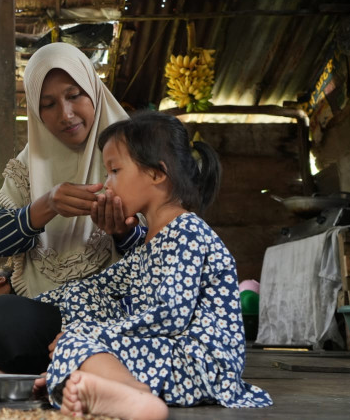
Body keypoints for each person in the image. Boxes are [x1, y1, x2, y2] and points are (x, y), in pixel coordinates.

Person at [31, 112, 272, 418]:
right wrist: (34, 304)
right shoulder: (150, 243)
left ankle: (135, 396)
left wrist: (91, 334)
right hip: (168, 356)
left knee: (76, 341)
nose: (106, 184)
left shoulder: (187, 231)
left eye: (114, 171)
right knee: (82, 306)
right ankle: (93, 382)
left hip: (199, 364)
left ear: (157, 174)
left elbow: (170, 315)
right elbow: (97, 285)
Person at [0, 42, 141, 298]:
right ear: (36, 112)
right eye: (48, 104)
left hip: (117, 303)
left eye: (74, 95)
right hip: (40, 302)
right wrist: (47, 205)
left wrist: (123, 231)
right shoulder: (29, 165)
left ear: (93, 90)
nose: (66, 115)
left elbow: (162, 249)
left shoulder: (136, 153)